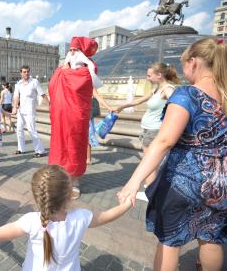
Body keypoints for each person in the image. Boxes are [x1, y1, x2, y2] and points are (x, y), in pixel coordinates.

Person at [117, 37, 227, 271]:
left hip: (184, 180)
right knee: (211, 237)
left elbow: (164, 141)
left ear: (194, 62)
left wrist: (133, 182)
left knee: (169, 240)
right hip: (220, 180)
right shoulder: (225, 92)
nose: (184, 71)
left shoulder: (187, 94)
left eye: (184, 65)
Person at [0, 165, 132, 270]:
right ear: (69, 194)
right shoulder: (81, 217)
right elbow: (107, 216)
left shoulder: (31, 221)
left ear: (37, 196)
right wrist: (126, 204)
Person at [115, 62, 179, 201]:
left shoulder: (167, 89)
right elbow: (138, 101)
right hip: (147, 129)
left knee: (149, 160)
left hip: (154, 131)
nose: (147, 78)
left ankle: (150, 193)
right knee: (151, 160)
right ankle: (153, 187)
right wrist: (122, 106)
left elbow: (178, 103)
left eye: (149, 75)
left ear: (159, 75)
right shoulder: (156, 89)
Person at [48, 37, 99, 199]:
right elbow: (51, 86)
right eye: (70, 50)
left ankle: (75, 180)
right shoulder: (62, 70)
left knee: (75, 147)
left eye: (75, 50)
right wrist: (62, 70)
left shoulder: (88, 70)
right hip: (61, 116)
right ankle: (62, 178)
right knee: (60, 146)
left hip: (77, 117)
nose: (71, 53)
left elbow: (81, 85)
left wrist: (65, 72)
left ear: (82, 53)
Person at [12, 65, 49, 157]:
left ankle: (40, 151)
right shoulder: (18, 84)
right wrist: (15, 107)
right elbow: (16, 96)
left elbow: (43, 95)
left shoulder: (34, 82)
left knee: (31, 130)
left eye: (28, 71)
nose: (26, 73)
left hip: (30, 111)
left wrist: (50, 106)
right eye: (24, 72)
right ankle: (21, 149)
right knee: (19, 130)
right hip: (21, 111)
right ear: (21, 73)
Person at [87, 88, 115, 165]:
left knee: (88, 136)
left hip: (86, 114)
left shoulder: (89, 85)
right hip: (78, 113)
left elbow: (98, 97)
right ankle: (86, 158)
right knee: (86, 136)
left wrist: (108, 107)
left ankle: (88, 158)